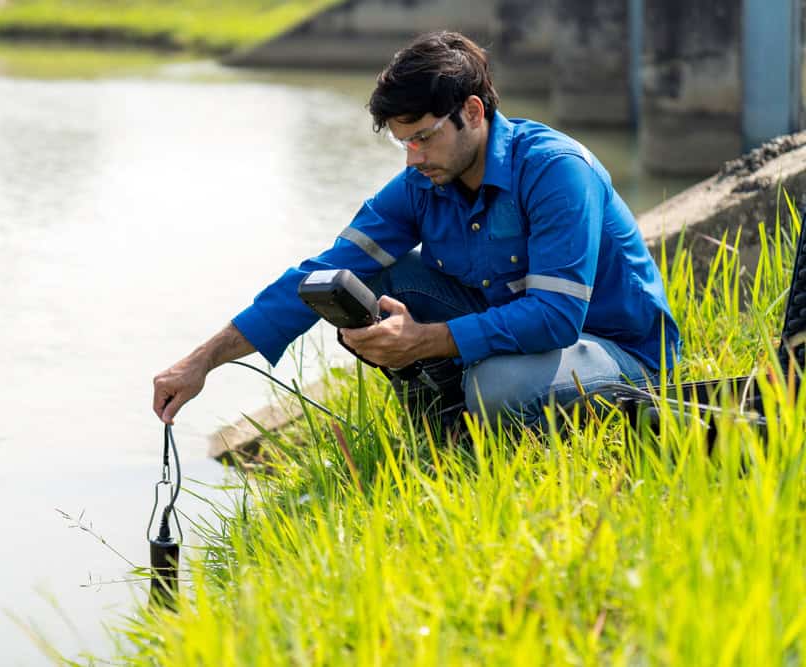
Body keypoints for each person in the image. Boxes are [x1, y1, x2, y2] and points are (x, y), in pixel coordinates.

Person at [153, 30, 681, 431]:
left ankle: (502, 422)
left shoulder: (555, 170)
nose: (414, 156)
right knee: (357, 286)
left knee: (496, 387)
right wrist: (201, 362)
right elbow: (318, 276)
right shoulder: (420, 182)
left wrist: (425, 341)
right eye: (402, 142)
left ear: (472, 112)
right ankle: (445, 424)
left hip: (621, 351)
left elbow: (557, 317)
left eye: (423, 138)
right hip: (524, 342)